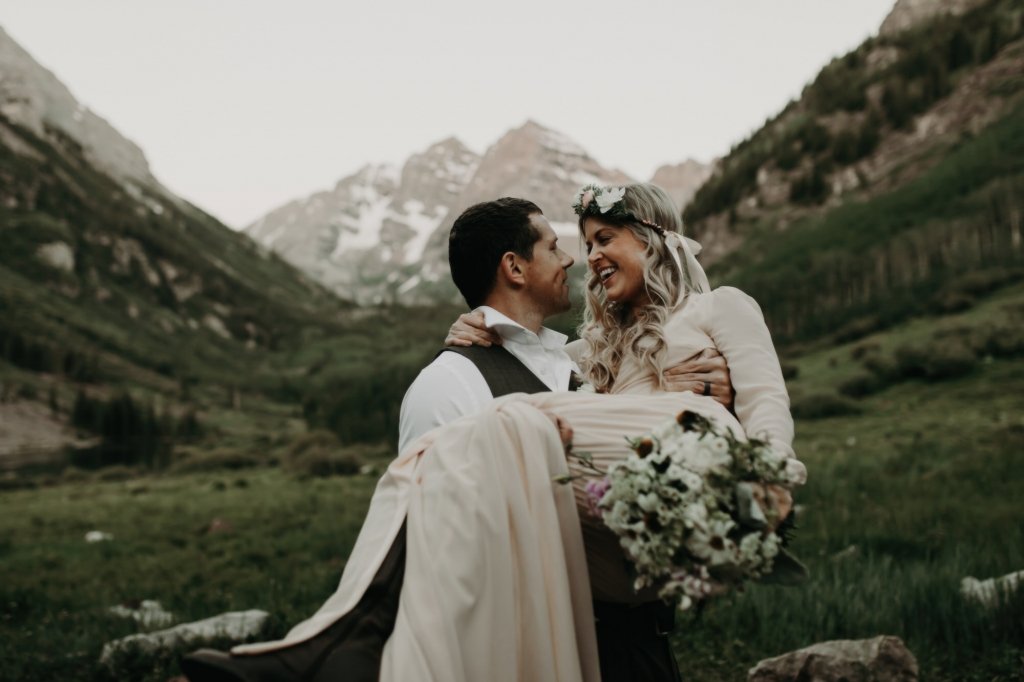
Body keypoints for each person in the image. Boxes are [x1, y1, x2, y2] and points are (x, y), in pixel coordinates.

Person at [181, 197, 736, 682]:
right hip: (530, 650)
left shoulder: (583, 367)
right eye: (552, 247)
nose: (572, 259)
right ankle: (336, 646)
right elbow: (433, 550)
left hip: (638, 643)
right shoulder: (448, 383)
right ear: (514, 267)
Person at [446, 183, 804, 680]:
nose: (591, 257)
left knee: (509, 425)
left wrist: (771, 481)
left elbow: (766, 399)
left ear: (652, 237)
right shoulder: (588, 349)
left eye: (605, 239)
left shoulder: (719, 308)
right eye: (587, 245)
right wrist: (479, 329)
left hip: (688, 486)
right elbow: (528, 351)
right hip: (618, 520)